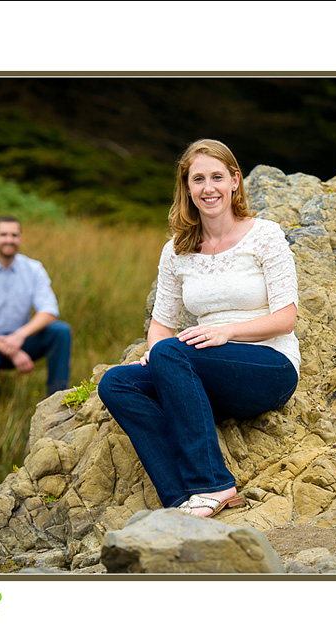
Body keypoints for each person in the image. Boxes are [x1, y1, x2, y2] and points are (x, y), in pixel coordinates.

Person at [98, 139, 300, 518]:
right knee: (116, 383)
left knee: (171, 351)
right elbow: (162, 323)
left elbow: (285, 318)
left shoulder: (265, 235)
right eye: (199, 179)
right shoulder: (176, 250)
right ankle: (179, 500)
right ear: (187, 187)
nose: (209, 188)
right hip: (204, 373)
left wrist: (227, 332)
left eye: (217, 177)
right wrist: (155, 354)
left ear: (235, 181)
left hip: (268, 367)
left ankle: (214, 484)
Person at [0, 215, 72, 397]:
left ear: (20, 238)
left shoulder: (33, 269)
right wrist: (12, 351)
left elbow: (49, 310)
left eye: (14, 235)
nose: (9, 240)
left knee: (61, 331)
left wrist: (19, 336)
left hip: (23, 337)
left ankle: (57, 398)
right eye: (3, 234)